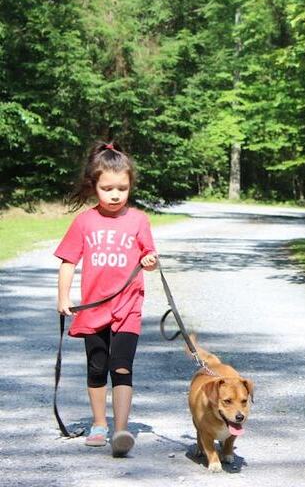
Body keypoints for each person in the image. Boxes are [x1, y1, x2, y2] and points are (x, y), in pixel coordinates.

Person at [55, 141, 158, 457]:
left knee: (122, 367)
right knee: (97, 368)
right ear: (93, 186)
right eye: (107, 188)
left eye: (122, 188)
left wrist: (150, 262)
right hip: (93, 309)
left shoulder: (139, 220)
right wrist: (63, 296)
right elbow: (68, 261)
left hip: (128, 307)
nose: (115, 195)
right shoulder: (84, 222)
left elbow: (149, 256)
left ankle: (121, 430)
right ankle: (100, 424)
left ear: (130, 186)